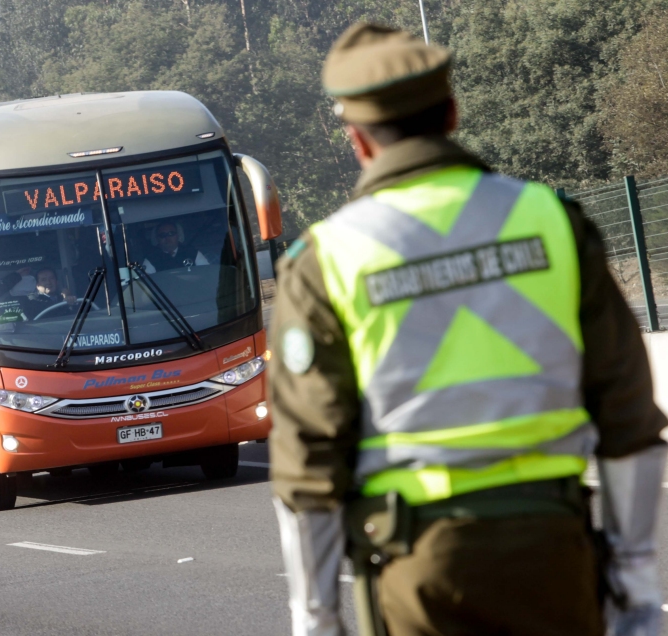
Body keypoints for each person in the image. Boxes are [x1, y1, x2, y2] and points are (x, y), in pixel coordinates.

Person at [268, 22, 666, 636]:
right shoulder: (552, 222)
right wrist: (637, 590)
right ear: (452, 111)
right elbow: (629, 415)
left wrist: (316, 619)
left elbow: (307, 464)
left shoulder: (327, 260)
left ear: (358, 142)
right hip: (556, 553)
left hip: (416, 573)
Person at [142, 221, 208, 273]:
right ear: (157, 239)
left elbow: (207, 273)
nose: (167, 237)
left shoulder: (192, 253)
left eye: (171, 233)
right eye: (162, 235)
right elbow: (145, 283)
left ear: (178, 235)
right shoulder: (152, 259)